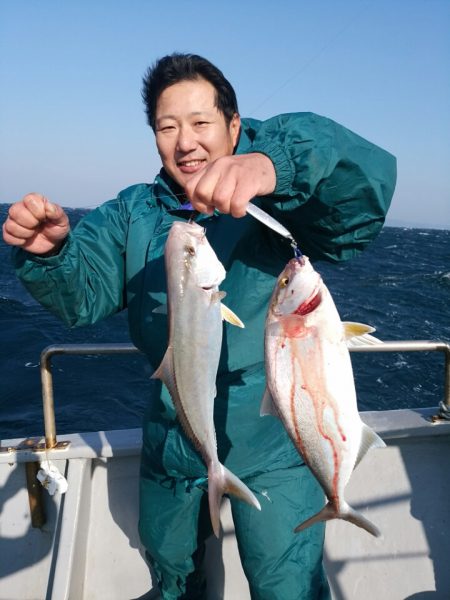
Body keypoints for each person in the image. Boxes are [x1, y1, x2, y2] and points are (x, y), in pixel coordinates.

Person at [2, 53, 396, 599]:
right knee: (172, 575)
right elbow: (83, 296)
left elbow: (359, 197)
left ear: (234, 126)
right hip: (174, 433)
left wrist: (273, 164)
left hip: (276, 439)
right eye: (167, 127)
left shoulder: (284, 200)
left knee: (288, 586)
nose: (184, 141)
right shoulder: (132, 214)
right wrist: (51, 257)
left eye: (201, 122)